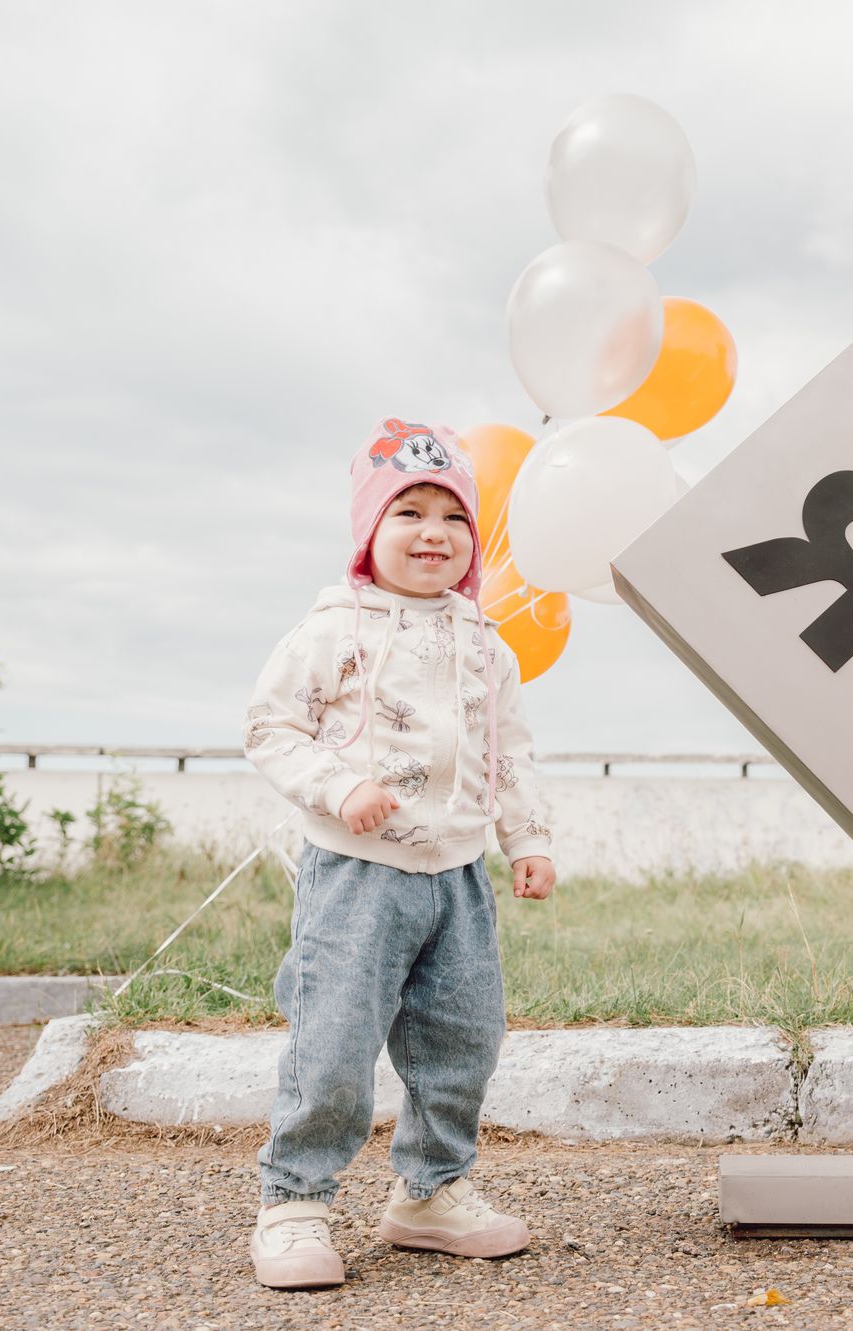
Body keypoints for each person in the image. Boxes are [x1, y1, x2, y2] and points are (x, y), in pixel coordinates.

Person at [240, 416, 557, 1290]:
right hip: (356, 876)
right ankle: (293, 1200)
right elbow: (270, 727)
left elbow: (508, 751)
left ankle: (431, 1190)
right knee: (334, 1040)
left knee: (464, 1040)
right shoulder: (331, 630)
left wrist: (526, 838)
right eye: (409, 512)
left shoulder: (487, 643)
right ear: (368, 528)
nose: (434, 533)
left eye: (453, 516)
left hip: (458, 878)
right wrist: (338, 786)